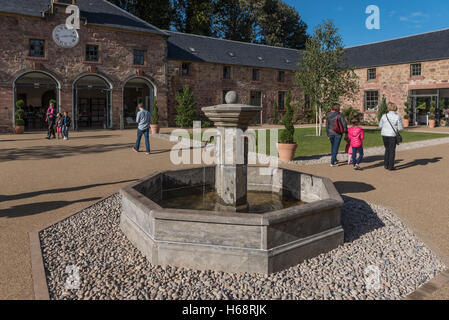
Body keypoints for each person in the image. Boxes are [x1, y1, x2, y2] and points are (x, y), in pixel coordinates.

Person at [379, 102, 404, 171]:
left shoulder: (384, 116)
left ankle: (386, 164)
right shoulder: (397, 116)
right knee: (392, 150)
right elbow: (400, 128)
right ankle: (391, 166)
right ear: (395, 108)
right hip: (392, 135)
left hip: (384, 134)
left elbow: (380, 125)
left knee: (387, 149)